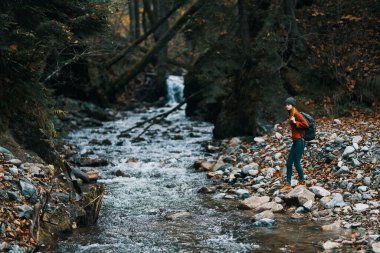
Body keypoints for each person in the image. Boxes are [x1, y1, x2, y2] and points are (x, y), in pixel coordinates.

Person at [280, 97, 309, 193]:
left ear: (292, 105)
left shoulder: (296, 113)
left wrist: (295, 122)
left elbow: (306, 124)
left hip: (300, 141)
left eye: (288, 104)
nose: (286, 106)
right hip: (295, 141)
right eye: (286, 104)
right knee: (288, 163)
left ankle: (302, 182)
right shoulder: (291, 113)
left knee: (296, 162)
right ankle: (288, 184)